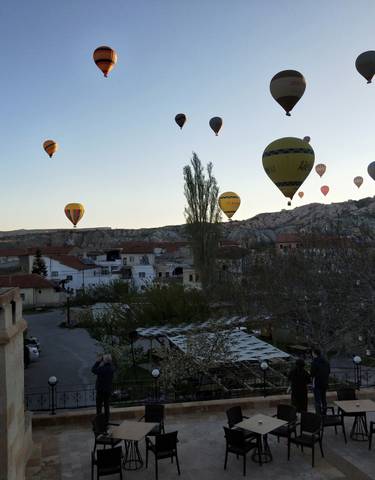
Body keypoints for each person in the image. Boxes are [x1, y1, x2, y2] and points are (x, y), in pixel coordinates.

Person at [92, 354, 115, 422]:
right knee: (106, 407)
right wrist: (107, 361)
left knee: (99, 407)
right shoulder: (112, 368)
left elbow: (93, 370)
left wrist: (98, 362)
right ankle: (107, 421)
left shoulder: (101, 369)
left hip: (100, 390)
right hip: (108, 390)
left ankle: (99, 422)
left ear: (104, 361)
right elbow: (112, 365)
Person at [310, 348, 330, 415]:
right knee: (323, 399)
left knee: (317, 400)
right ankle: (324, 413)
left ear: (314, 353)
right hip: (325, 383)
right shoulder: (326, 362)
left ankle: (318, 416)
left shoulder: (314, 362)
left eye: (312, 353)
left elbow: (312, 373)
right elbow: (328, 371)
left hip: (317, 383)